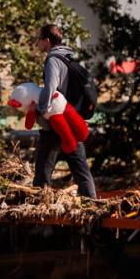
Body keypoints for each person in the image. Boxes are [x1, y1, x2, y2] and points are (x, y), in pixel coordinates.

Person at [31, 24, 97, 198]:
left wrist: (40, 110)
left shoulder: (53, 59)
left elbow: (51, 87)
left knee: (42, 173)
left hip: (55, 123)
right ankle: (92, 205)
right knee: (81, 170)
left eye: (39, 39)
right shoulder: (70, 57)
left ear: (47, 41)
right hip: (72, 119)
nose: (37, 43)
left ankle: (39, 212)